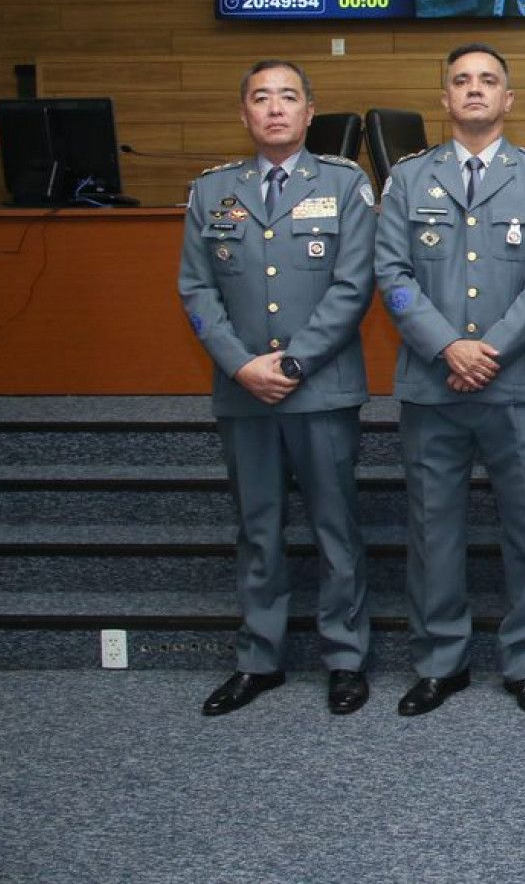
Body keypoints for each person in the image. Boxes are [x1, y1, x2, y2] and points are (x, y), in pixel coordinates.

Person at [376, 43, 525, 718]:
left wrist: (486, 350)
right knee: (433, 529)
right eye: (461, 80)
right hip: (431, 385)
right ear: (445, 97)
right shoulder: (406, 179)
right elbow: (392, 279)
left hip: (514, 384)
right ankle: (439, 661)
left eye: (488, 80)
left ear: (509, 99)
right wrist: (447, 346)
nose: (475, 89)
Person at [178, 60, 375, 717]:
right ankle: (258, 657)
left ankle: (345, 657)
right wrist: (240, 364)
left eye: (288, 97)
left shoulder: (346, 184)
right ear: (244, 114)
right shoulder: (212, 192)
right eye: (260, 98)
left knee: (334, 527)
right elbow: (196, 290)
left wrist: (294, 363)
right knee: (256, 527)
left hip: (320, 389)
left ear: (309, 111)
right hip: (244, 393)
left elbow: (354, 287)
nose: (274, 109)